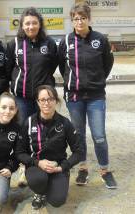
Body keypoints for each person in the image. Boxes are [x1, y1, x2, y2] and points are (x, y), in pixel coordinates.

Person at [58, 2, 117, 189]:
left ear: (89, 19)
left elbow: (107, 64)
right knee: (79, 135)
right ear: (72, 21)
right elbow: (62, 66)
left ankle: (105, 170)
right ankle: (82, 168)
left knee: (99, 135)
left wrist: (96, 80)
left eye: (83, 18)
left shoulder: (100, 39)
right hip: (74, 98)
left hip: (95, 96)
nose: (80, 21)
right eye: (76, 18)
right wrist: (72, 83)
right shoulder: (66, 41)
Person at [15, 85, 83, 210]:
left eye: (50, 99)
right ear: (37, 102)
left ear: (56, 101)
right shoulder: (29, 122)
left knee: (57, 201)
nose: (46, 103)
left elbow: (79, 152)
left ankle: (52, 185)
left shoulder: (65, 123)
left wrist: (62, 167)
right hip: (36, 166)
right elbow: (19, 152)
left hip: (58, 166)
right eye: (42, 99)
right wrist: (37, 162)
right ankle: (39, 192)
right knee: (39, 180)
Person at [6, 7, 58, 123]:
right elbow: (8, 69)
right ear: (22, 25)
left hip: (45, 98)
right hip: (21, 98)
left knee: (44, 128)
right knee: (23, 128)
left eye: (34, 23)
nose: (31, 26)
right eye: (27, 23)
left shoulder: (49, 43)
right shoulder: (13, 44)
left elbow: (52, 66)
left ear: (40, 25)